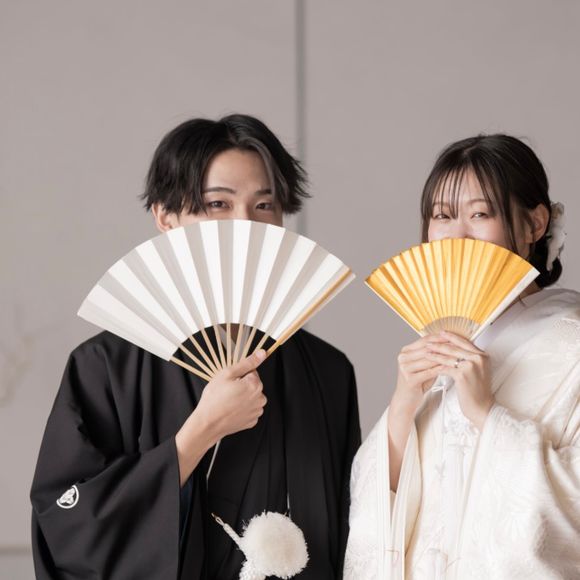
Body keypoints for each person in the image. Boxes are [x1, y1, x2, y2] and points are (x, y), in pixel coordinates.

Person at [31, 114, 361, 579]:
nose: (245, 225)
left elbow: (351, 539)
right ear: (166, 218)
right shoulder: (106, 365)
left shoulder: (325, 371)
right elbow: (68, 530)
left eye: (264, 205)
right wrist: (198, 435)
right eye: (218, 204)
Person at [344, 134, 580, 579]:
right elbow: (377, 519)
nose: (456, 235)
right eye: (442, 216)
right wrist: (403, 406)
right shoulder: (443, 339)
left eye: (479, 214)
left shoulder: (573, 346)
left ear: (535, 224)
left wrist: (487, 416)